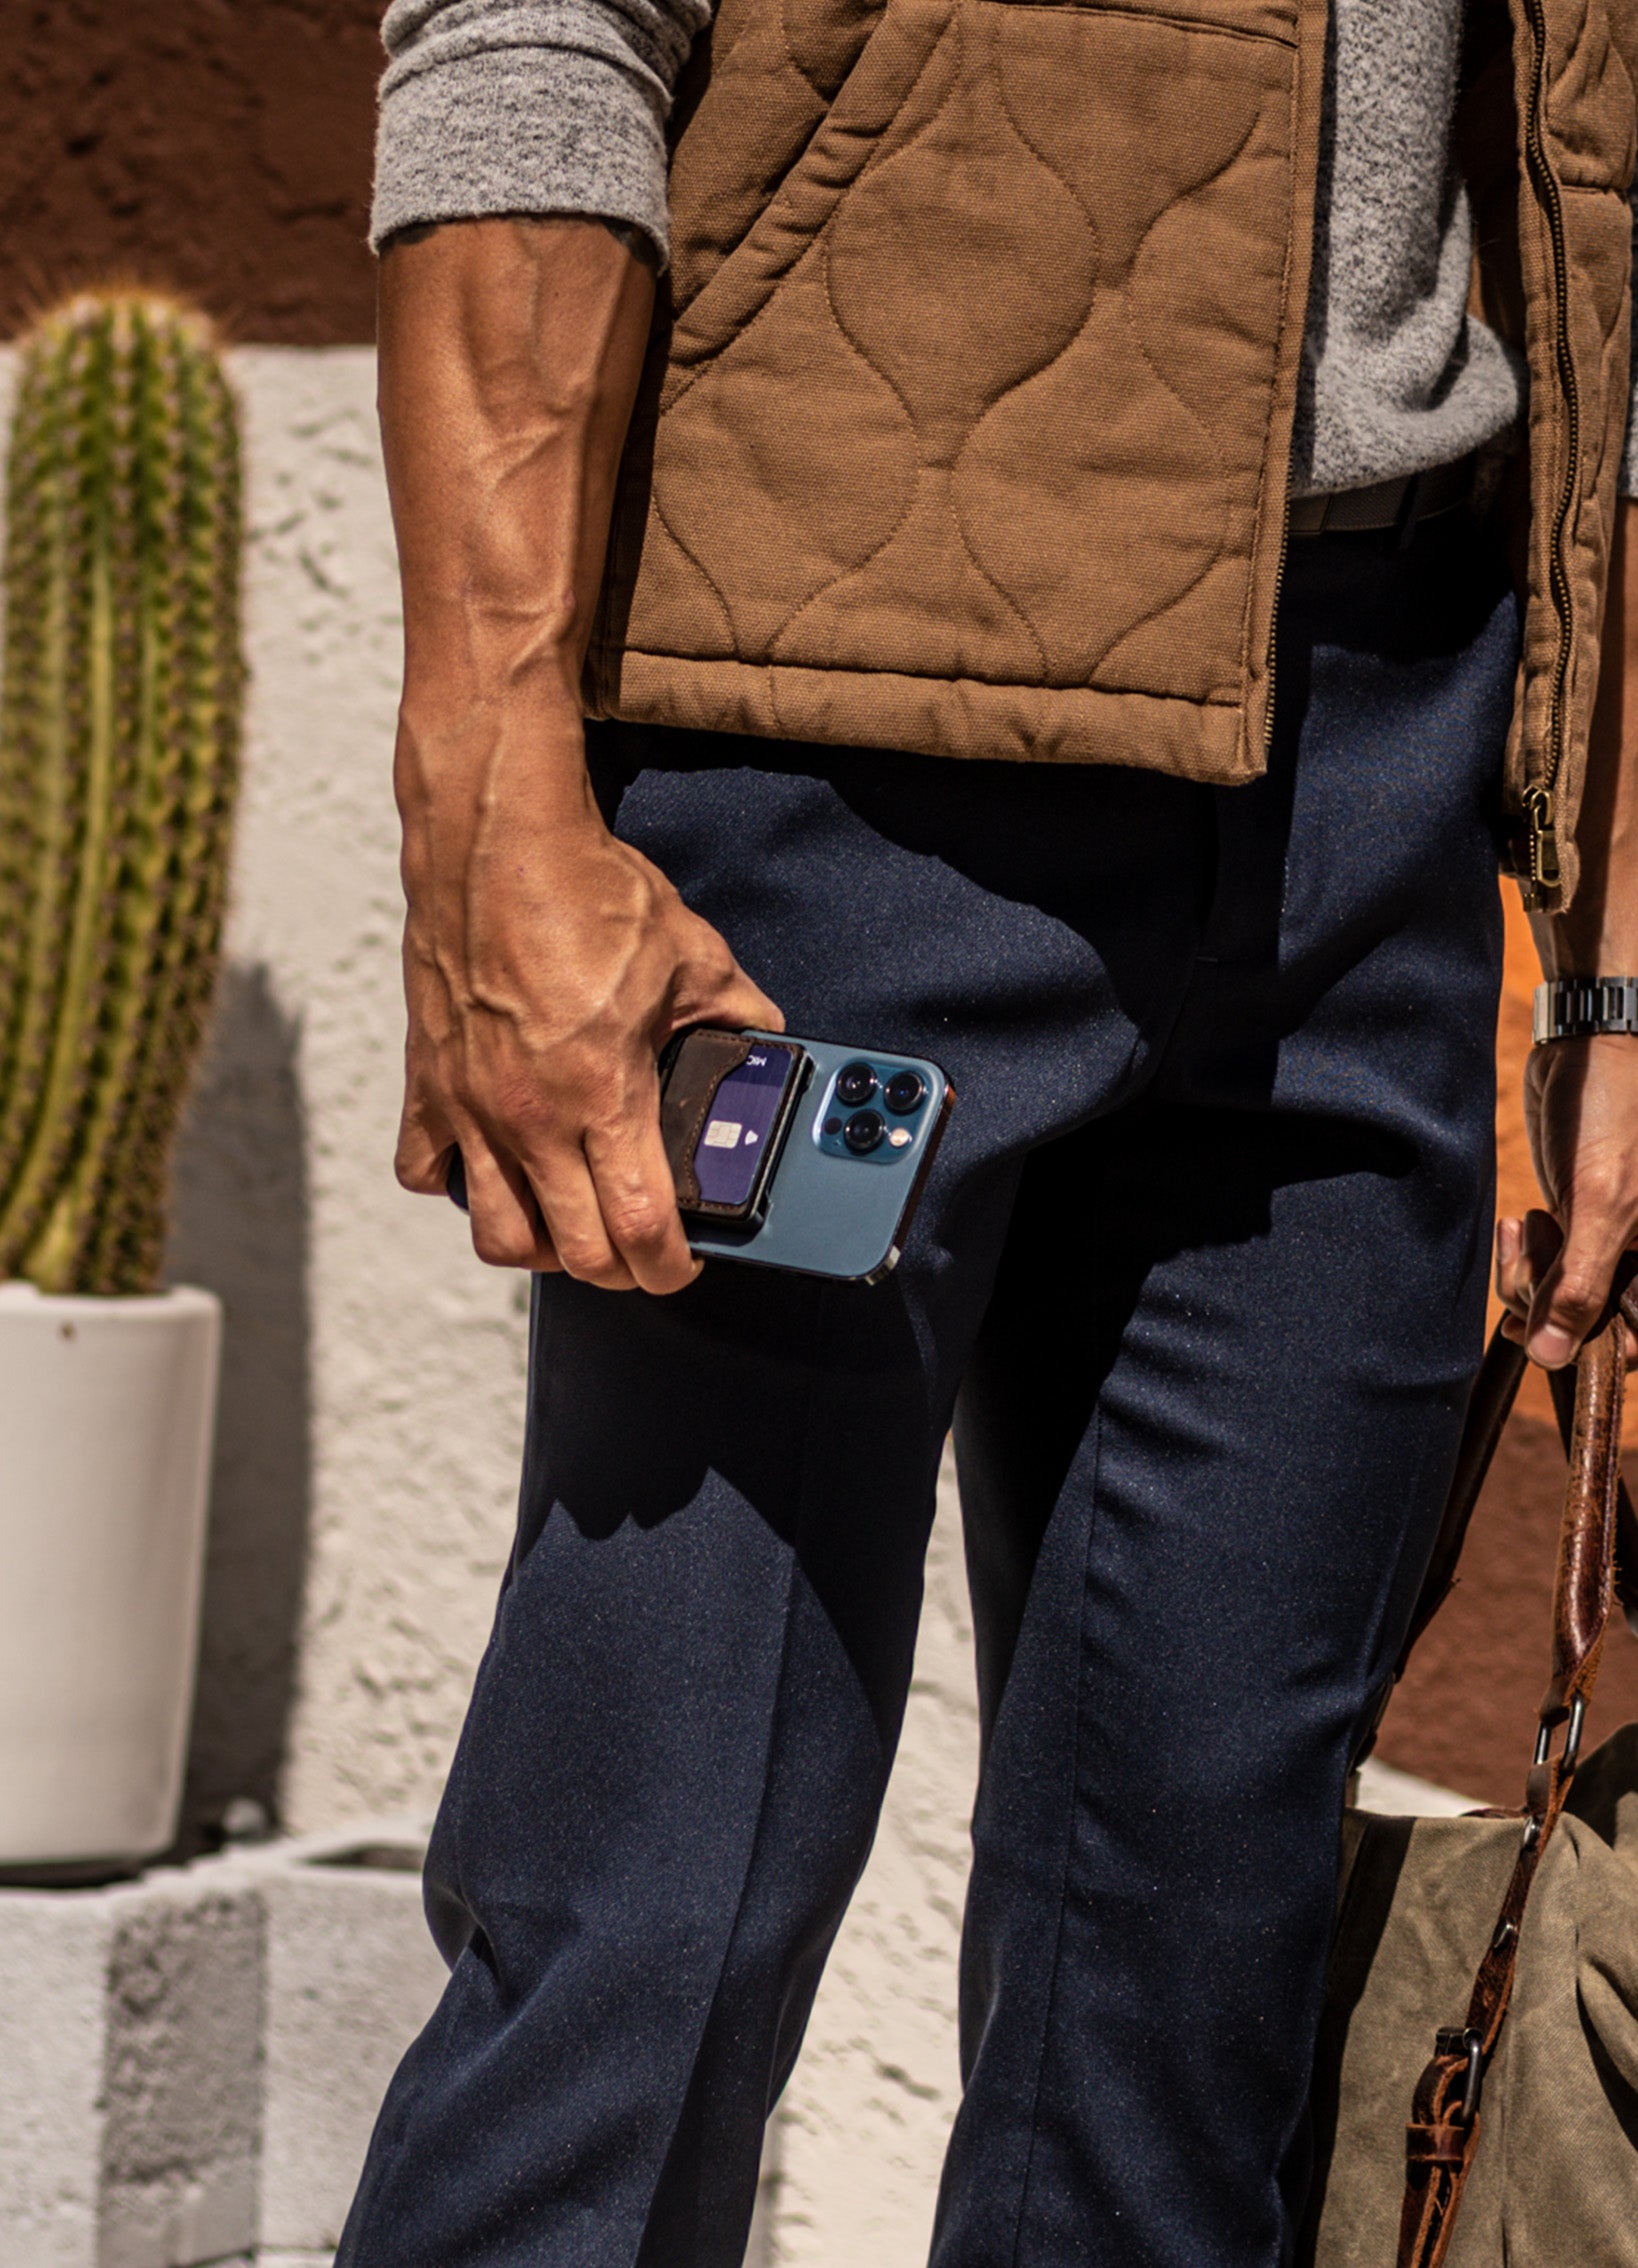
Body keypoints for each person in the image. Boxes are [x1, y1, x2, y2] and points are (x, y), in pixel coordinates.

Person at [337, 1, 1638, 2261]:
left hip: (1384, 781)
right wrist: (490, 796)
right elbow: (536, 24)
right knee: (644, 1932)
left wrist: (1618, 953)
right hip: (841, 756)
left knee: (1188, 2000)